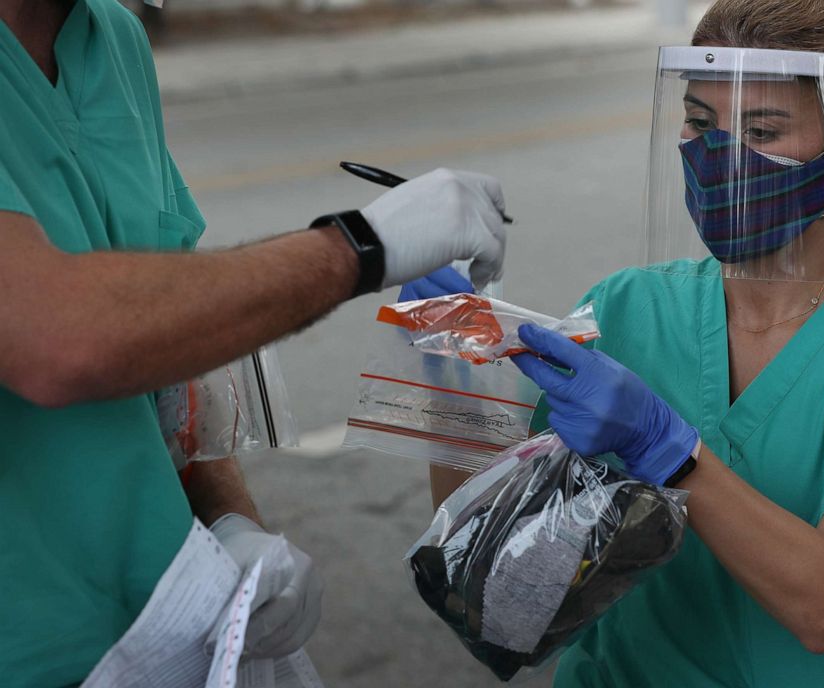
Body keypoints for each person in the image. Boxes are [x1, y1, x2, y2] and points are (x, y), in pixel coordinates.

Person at [426, 0, 824, 685]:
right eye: (699, 121)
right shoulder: (627, 308)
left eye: (762, 129)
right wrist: (452, 364)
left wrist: (672, 451)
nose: (718, 155)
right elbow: (490, 575)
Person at [0, 0, 508, 685]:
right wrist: (358, 246)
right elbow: (58, 337)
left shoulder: (111, 39)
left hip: (157, 630)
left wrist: (230, 523)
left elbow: (167, 340)